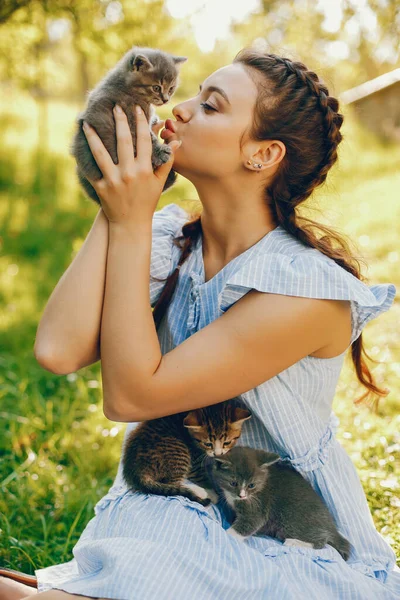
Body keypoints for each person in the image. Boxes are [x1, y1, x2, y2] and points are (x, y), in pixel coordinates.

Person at [2, 47, 399, 600]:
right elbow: (58, 349)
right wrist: (114, 202)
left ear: (263, 154)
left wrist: (131, 221)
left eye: (210, 106)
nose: (181, 110)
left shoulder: (304, 290)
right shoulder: (170, 241)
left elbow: (131, 396)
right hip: (178, 501)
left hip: (273, 526)